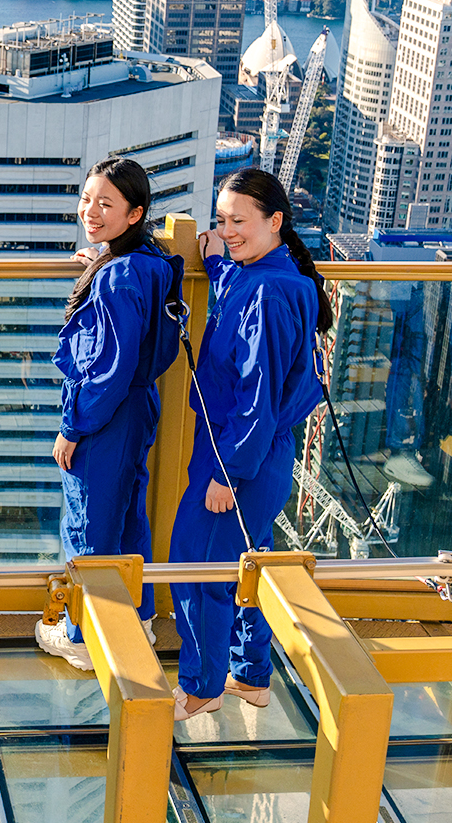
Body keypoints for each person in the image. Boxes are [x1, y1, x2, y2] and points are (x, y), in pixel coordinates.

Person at [167, 167, 329, 721]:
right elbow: (233, 287)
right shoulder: (270, 275)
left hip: (239, 453)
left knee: (197, 565)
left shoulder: (267, 291)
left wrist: (226, 474)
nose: (227, 230)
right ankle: (251, 675)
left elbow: (256, 395)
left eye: (239, 220)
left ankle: (203, 685)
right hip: (259, 452)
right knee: (245, 562)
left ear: (275, 221)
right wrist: (215, 252)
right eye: (221, 219)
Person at [37, 158, 183, 669]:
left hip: (108, 413)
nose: (90, 211)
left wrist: (73, 427)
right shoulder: (146, 261)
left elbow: (108, 368)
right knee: (126, 519)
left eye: (106, 204)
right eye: (86, 199)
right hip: (139, 406)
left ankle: (82, 637)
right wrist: (101, 257)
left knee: (89, 526)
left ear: (135, 212)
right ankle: (136, 618)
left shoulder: (120, 277)